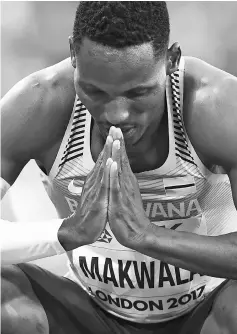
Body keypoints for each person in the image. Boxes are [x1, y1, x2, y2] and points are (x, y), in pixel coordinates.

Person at [1, 2, 237, 334]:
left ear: (171, 60)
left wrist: (147, 237)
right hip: (85, 313)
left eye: (138, 92)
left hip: (206, 315)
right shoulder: (39, 102)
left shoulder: (218, 106)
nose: (116, 115)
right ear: (72, 53)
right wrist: (65, 233)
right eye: (95, 91)